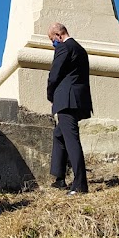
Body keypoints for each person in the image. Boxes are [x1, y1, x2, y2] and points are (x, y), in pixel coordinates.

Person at [46, 22, 92, 195]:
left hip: (66, 100)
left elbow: (54, 75)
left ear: (59, 35)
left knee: (71, 140)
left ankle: (80, 185)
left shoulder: (64, 48)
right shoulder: (80, 49)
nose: (53, 44)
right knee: (59, 134)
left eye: (52, 39)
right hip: (78, 99)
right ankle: (59, 177)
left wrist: (50, 95)